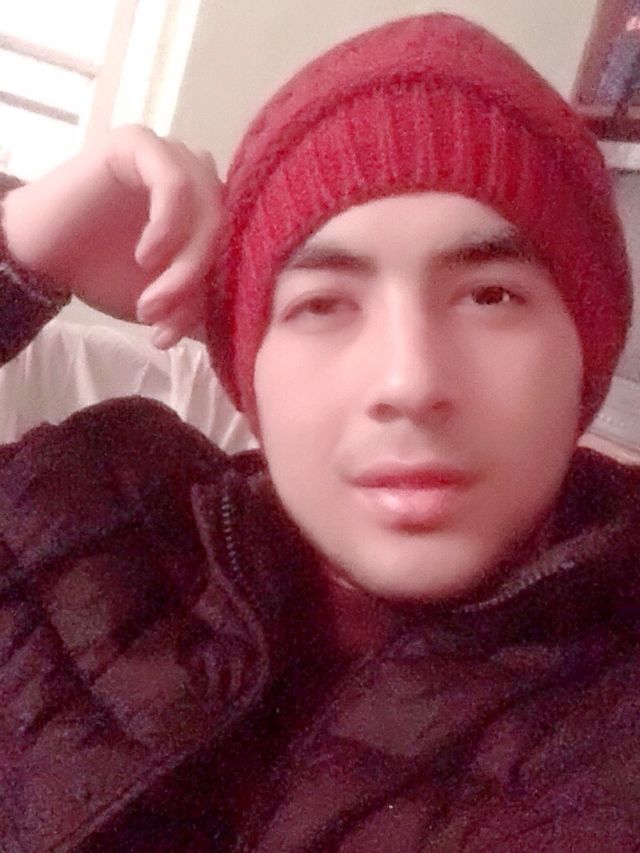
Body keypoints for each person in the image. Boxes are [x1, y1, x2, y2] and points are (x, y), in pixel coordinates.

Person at [1, 12, 639, 852]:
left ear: (587, 349)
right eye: (323, 303)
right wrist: (17, 260)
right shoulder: (74, 531)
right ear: (247, 368)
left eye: (491, 296)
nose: (409, 382)